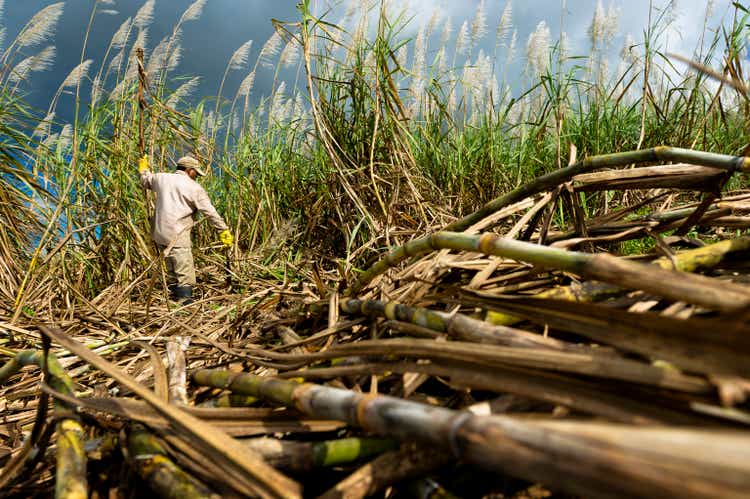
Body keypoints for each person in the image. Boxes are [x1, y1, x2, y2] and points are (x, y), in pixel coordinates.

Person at [138, 154, 233, 304]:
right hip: (177, 235)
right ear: (190, 171)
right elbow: (210, 212)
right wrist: (223, 230)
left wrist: (144, 169)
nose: (197, 176)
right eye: (196, 173)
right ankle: (185, 304)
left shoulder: (161, 178)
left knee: (171, 269)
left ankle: (174, 299)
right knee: (184, 273)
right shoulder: (194, 187)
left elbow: (145, 181)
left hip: (159, 233)